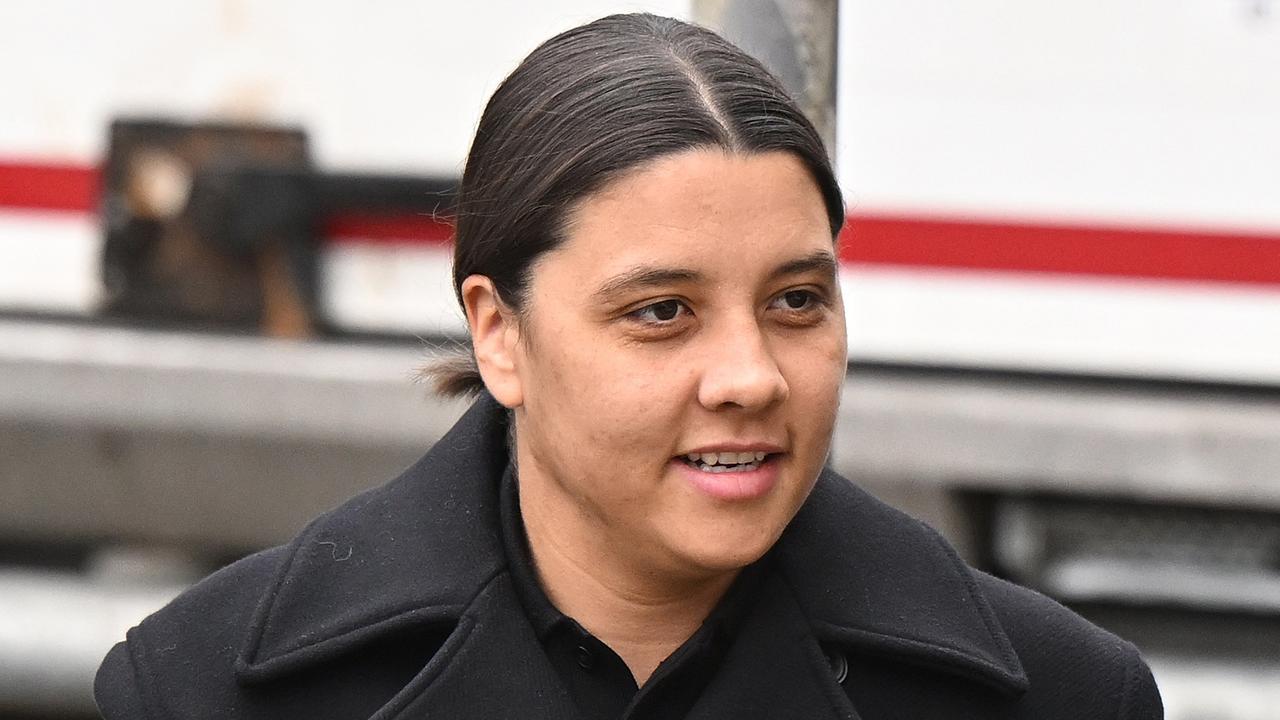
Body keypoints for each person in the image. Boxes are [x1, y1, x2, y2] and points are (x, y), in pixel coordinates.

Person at [94, 13, 1162, 719]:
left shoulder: (1060, 700)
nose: (749, 376)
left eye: (796, 302)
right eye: (661, 312)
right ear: (499, 334)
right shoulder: (201, 692)